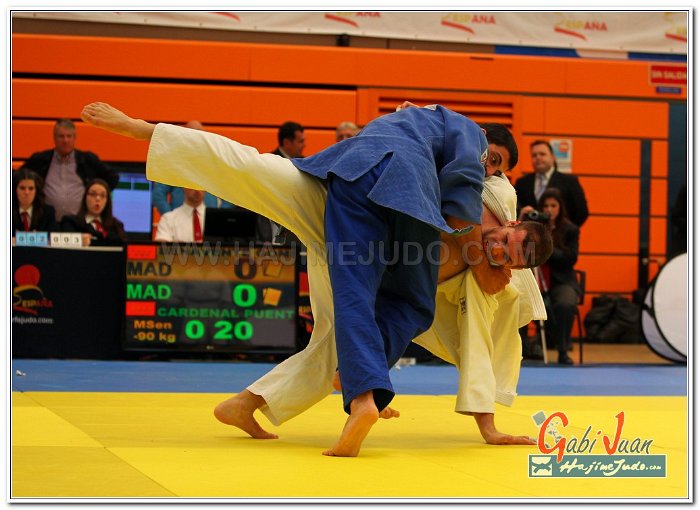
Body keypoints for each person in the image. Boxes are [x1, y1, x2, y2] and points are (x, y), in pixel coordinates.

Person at [81, 101, 549, 457]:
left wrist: (488, 424)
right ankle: (364, 391)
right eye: (493, 159)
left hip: (353, 213)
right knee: (256, 171)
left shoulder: (496, 239)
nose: (493, 170)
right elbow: (462, 179)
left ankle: (253, 402)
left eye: (500, 167)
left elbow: (484, 335)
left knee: (337, 335)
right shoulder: (473, 163)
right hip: (356, 191)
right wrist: (475, 250)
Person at [19, 118, 118, 220]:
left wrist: (99, 195)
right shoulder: (39, 160)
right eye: (61, 136)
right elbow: (17, 178)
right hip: (46, 222)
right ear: (54, 138)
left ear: (75, 138)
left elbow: (113, 177)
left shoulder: (88, 160)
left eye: (69, 136)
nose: (65, 140)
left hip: (79, 223)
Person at [536, 188, 581, 365]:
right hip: (536, 280)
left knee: (565, 303)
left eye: (553, 205)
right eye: (545, 206)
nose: (549, 209)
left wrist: (547, 247)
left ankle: (563, 350)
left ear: (560, 207)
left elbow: (571, 258)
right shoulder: (533, 226)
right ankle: (522, 350)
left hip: (562, 281)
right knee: (518, 300)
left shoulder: (570, 229)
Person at [151, 121, 234, 214]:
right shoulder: (173, 161)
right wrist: (170, 217)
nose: (196, 138)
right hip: (179, 219)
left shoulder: (215, 162)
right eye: (192, 134)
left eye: (199, 134)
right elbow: (159, 194)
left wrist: (219, 216)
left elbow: (229, 192)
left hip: (209, 219)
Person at [515, 140, 589, 227]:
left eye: (542, 154)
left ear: (553, 157)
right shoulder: (522, 183)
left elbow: (582, 212)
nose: (538, 158)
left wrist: (566, 231)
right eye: (534, 155)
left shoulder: (569, 181)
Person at [60, 178, 126, 246]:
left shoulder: (116, 225)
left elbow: (122, 245)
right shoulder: (71, 222)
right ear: (85, 198)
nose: (98, 198)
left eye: (103, 195)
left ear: (107, 201)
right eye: (93, 194)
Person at [12, 169, 57, 237]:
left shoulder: (47, 212)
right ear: (15, 189)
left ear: (36, 190)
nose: (27, 192)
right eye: (22, 188)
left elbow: (52, 238)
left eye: (31, 188)